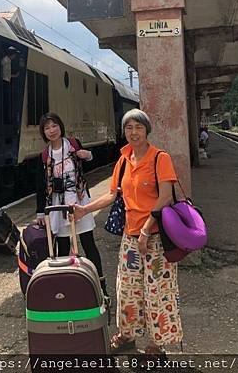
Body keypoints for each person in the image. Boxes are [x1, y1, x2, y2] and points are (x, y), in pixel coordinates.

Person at [74, 108, 183, 355]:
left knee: (158, 293)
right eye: (128, 128)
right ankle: (127, 336)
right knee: (128, 291)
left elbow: (165, 198)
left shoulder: (160, 158)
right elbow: (113, 195)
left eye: (138, 127)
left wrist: (145, 231)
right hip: (130, 238)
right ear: (124, 131)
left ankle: (156, 347)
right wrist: (84, 209)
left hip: (156, 239)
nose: (133, 132)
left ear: (147, 130)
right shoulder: (123, 161)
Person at [36, 112, 109, 300]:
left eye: (54, 126)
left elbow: (95, 162)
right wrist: (39, 212)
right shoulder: (45, 155)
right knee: (62, 248)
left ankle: (101, 288)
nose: (51, 130)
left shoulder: (74, 145)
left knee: (88, 244)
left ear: (60, 127)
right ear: (43, 132)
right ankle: (65, 289)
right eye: (47, 128)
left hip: (79, 201)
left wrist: (88, 155)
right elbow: (40, 185)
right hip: (57, 206)